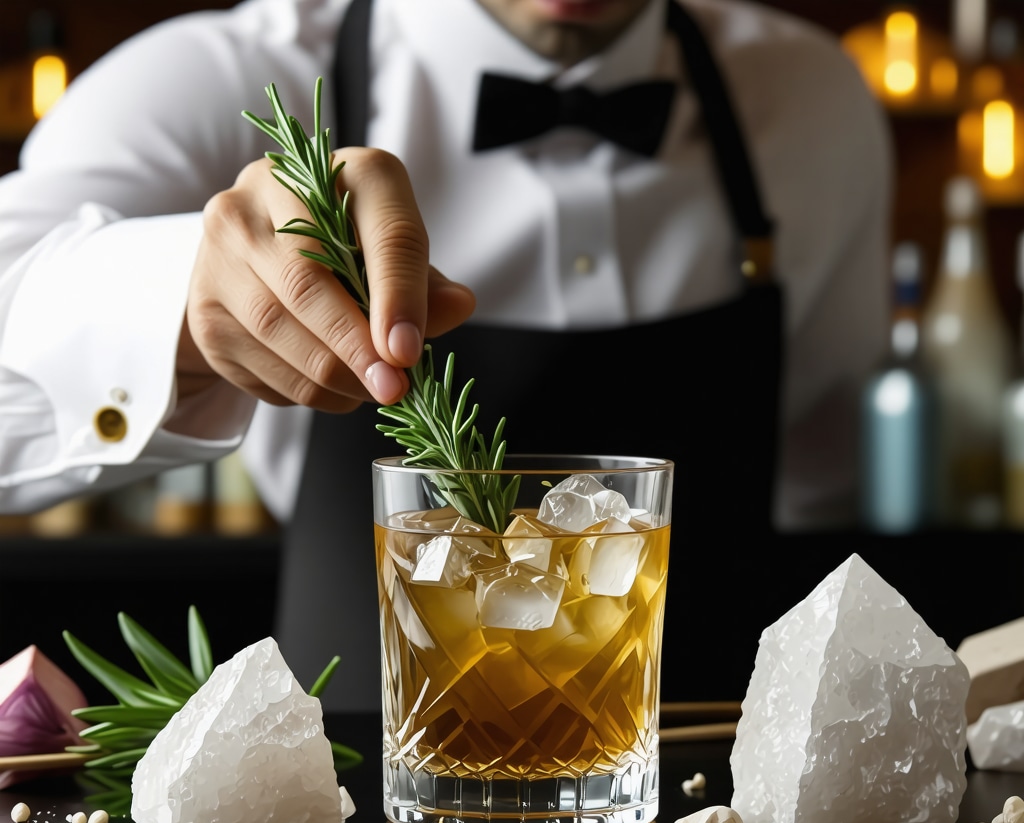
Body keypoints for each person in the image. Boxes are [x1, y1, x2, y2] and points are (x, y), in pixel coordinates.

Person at [0, 0, 892, 707]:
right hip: (371, 794)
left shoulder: (814, 98)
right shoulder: (223, 74)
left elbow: (827, 470)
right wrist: (188, 298)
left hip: (722, 781)